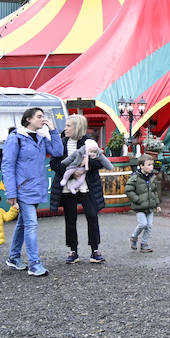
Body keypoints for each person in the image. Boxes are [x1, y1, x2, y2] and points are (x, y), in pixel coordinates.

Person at [49, 114, 112, 266]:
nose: (65, 128)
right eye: (66, 125)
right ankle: (73, 251)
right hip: (67, 188)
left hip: (87, 187)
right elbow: (54, 164)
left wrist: (84, 167)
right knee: (70, 219)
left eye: (69, 126)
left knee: (92, 216)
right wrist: (71, 172)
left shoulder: (89, 142)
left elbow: (100, 162)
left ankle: (95, 250)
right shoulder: (61, 142)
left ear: (78, 127)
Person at [126, 154, 162, 252]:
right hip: (140, 206)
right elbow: (129, 190)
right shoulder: (135, 178)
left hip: (150, 206)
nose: (152, 167)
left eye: (152, 165)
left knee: (149, 226)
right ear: (141, 166)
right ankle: (133, 238)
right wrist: (137, 199)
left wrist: (157, 204)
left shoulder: (152, 178)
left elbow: (154, 192)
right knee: (143, 224)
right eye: (149, 165)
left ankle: (144, 244)